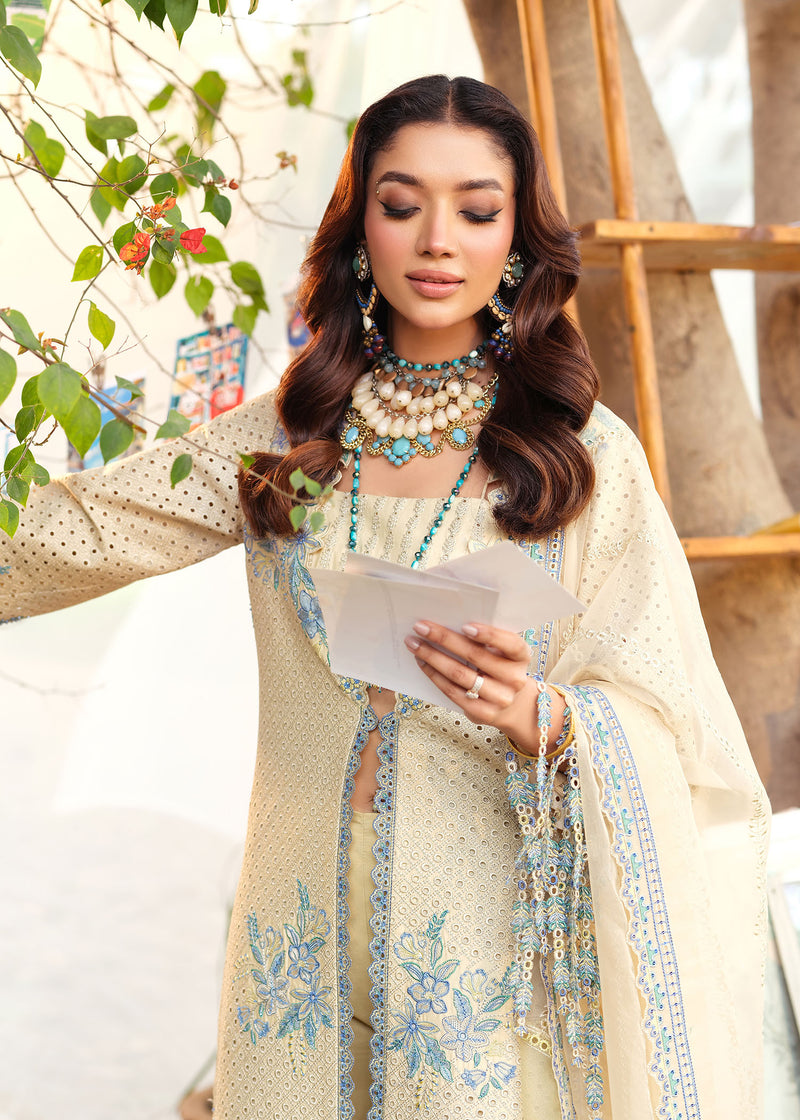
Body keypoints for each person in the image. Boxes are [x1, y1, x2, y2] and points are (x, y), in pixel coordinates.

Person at [1, 76, 768, 1120]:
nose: (437, 240)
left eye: (476, 209)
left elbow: (674, 729)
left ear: (518, 237)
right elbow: (76, 533)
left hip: (477, 946)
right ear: (359, 223)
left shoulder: (580, 464)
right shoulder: (283, 442)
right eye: (401, 204)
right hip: (297, 927)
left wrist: (539, 715)